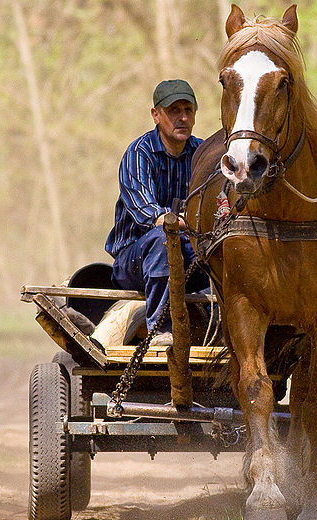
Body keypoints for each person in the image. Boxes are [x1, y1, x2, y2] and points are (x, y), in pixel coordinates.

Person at [105, 80, 209, 346]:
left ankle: (222, 329)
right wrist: (194, 221)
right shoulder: (139, 154)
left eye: (188, 110)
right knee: (163, 238)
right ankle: (161, 331)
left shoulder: (203, 154)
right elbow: (148, 215)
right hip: (135, 259)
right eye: (174, 110)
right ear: (156, 115)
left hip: (189, 253)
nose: (183, 117)